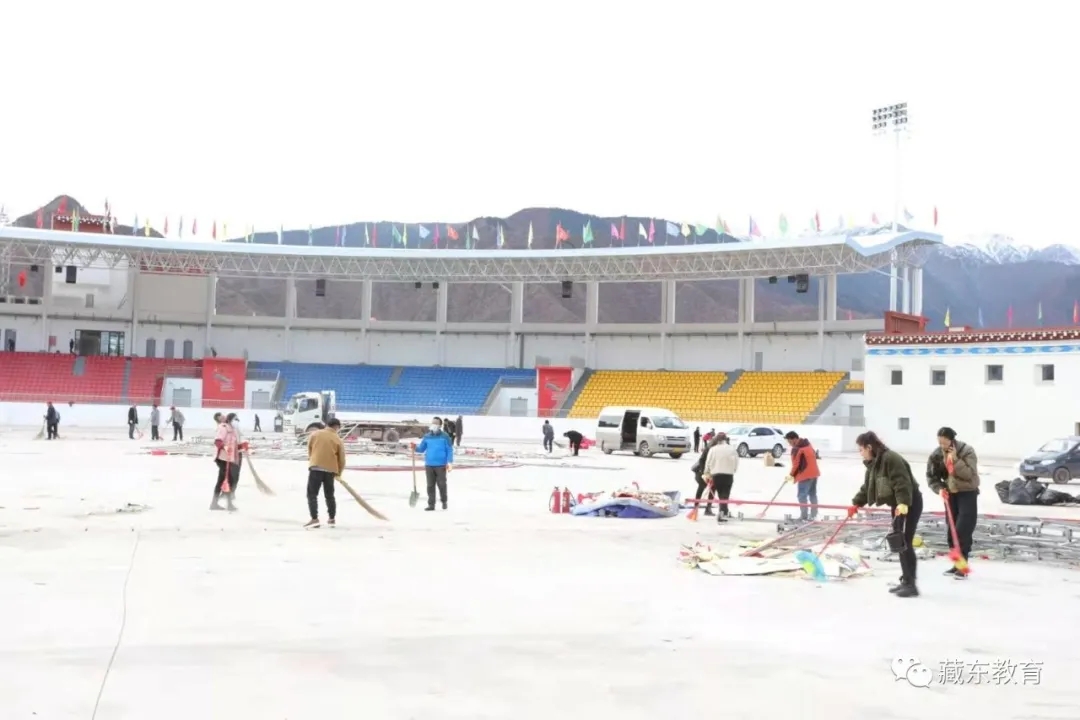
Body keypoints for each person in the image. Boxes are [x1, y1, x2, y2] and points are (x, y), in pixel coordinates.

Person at [848, 431, 923, 598]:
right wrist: (856, 503)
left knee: (904, 542)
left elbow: (901, 481)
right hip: (898, 504)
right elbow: (868, 487)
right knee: (899, 541)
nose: (860, 453)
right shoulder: (874, 464)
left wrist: (903, 503)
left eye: (861, 449)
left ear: (869, 447)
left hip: (909, 502)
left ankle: (911, 585)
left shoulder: (891, 459)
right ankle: (906, 580)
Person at [926, 426, 980, 578]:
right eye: (940, 443)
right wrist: (939, 489)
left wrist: (955, 459)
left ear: (952, 440)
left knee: (963, 530)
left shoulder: (966, 451)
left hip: (967, 494)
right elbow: (931, 476)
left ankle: (963, 567)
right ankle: (957, 565)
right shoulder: (937, 454)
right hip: (950, 495)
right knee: (952, 532)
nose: (942, 446)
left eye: (945, 443)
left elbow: (969, 474)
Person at [305, 417, 345, 529]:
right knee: (329, 495)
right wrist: (338, 473)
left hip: (316, 468)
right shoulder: (337, 439)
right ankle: (331, 518)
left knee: (312, 494)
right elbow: (341, 459)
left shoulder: (315, 434)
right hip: (330, 471)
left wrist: (313, 460)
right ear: (336, 427)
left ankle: (314, 518)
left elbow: (310, 449)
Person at [414, 417, 454, 511]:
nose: (433, 424)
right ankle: (431, 504)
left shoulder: (445, 436)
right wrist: (414, 447)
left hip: (441, 465)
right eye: (433, 423)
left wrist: (449, 462)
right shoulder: (427, 436)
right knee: (430, 485)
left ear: (440, 425)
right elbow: (421, 449)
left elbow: (449, 450)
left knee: (442, 484)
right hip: (429, 465)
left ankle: (444, 501)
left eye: (436, 423)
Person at [210, 413, 245, 512]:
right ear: (230, 420)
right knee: (226, 480)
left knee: (224, 480)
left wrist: (243, 447)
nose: (237, 421)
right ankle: (227, 504)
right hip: (222, 459)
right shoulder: (223, 427)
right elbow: (218, 441)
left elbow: (234, 444)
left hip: (229, 459)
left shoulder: (232, 430)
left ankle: (215, 503)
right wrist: (225, 447)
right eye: (235, 419)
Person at [785, 431, 820, 521]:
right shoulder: (808, 444)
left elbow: (796, 465)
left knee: (801, 495)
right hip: (814, 473)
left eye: (789, 441)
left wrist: (791, 475)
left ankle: (804, 516)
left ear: (794, 439)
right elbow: (814, 455)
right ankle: (814, 515)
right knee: (812, 494)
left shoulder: (797, 449)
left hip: (805, 475)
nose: (789, 444)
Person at [704, 432, 739, 521]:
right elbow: (736, 462)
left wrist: (707, 472)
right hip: (728, 475)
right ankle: (723, 513)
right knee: (725, 495)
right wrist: (733, 470)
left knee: (720, 495)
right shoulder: (732, 449)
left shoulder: (713, 449)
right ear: (725, 439)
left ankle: (723, 513)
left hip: (717, 475)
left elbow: (708, 462)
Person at [691, 437, 717, 516]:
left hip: (710, 472)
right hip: (703, 472)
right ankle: (696, 508)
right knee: (702, 487)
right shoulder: (710, 449)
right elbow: (702, 460)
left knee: (712, 488)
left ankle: (707, 508)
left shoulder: (713, 448)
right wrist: (704, 473)